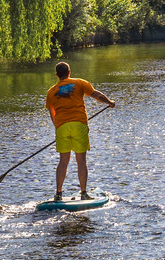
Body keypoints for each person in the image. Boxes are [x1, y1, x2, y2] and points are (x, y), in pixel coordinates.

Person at [44, 61, 115, 201]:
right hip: (79, 124)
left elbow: (52, 112)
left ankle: (58, 194)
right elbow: (97, 95)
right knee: (81, 160)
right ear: (69, 72)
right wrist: (109, 102)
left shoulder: (51, 91)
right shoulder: (79, 83)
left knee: (63, 161)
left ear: (57, 75)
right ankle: (83, 193)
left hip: (62, 127)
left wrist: (58, 126)